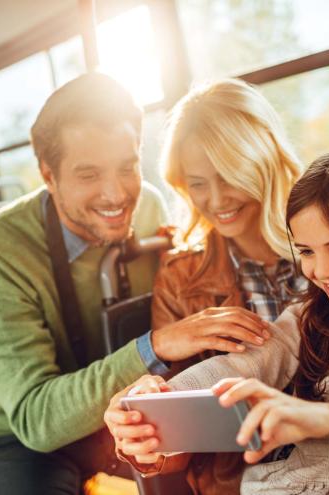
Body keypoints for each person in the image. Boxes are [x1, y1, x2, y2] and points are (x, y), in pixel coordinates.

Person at [0, 73, 266, 495]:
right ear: (49, 175)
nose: (116, 194)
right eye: (88, 175)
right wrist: (154, 346)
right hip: (24, 437)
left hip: (127, 404)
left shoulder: (149, 207)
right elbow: (37, 421)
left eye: (127, 167)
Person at [107, 145, 329, 494]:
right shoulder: (306, 316)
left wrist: (326, 419)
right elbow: (242, 366)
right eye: (307, 251)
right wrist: (159, 399)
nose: (322, 271)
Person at [108, 78, 306, 492]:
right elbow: (187, 440)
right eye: (197, 183)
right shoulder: (181, 279)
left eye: (229, 176)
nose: (216, 200)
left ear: (264, 160)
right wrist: (148, 435)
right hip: (247, 480)